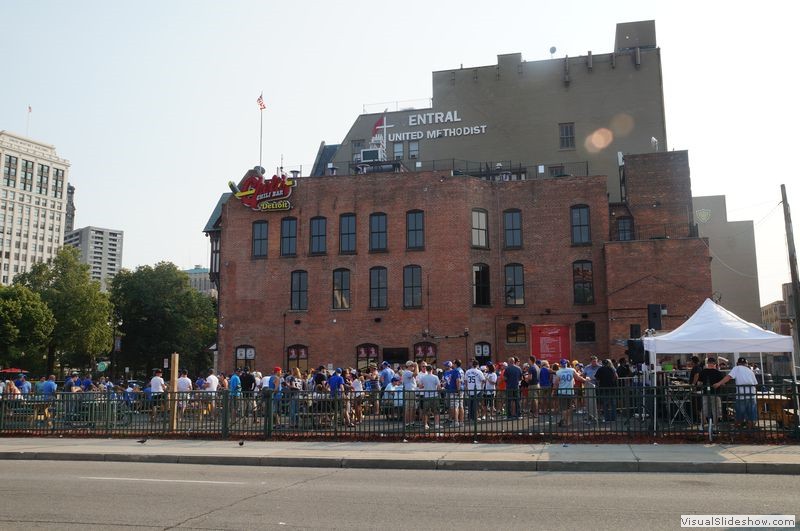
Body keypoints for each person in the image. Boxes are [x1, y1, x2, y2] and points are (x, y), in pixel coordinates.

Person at [713, 357, 759, 429]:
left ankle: (737, 431)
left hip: (742, 396)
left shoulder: (736, 368)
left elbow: (728, 377)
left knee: (739, 416)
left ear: (738, 363)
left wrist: (718, 383)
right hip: (751, 395)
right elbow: (755, 384)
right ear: (746, 364)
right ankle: (750, 432)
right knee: (751, 417)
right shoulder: (750, 371)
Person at [554, 358, 590, 427]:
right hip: (570, 391)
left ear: (561, 364)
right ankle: (568, 422)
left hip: (562, 391)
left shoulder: (559, 372)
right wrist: (585, 380)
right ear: (566, 364)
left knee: (564, 408)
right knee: (569, 407)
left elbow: (556, 383)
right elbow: (578, 378)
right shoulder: (572, 370)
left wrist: (554, 391)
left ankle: (564, 420)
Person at [697, 357, 724, 431]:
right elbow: (722, 383)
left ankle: (701, 426)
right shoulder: (718, 373)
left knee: (704, 410)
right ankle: (715, 426)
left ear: (707, 364)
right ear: (715, 364)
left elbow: (699, 383)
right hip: (715, 393)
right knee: (715, 411)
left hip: (705, 393)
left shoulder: (703, 372)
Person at [417, 363, 441, 429]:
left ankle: (425, 425)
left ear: (426, 370)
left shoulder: (423, 377)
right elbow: (439, 387)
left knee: (425, 412)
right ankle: (437, 425)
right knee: (436, 411)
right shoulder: (435, 377)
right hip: (434, 395)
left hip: (426, 396)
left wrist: (425, 385)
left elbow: (420, 386)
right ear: (432, 369)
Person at [443, 361, 463, 427]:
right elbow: (447, 382)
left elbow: (458, 381)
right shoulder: (446, 373)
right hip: (451, 390)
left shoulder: (455, 371)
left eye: (445, 365)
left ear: (448, 366)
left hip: (455, 390)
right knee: (458, 406)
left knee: (455, 407)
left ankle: (457, 422)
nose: (444, 366)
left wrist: (458, 390)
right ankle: (459, 422)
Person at [401, 361, 419, 427]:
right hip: (409, 391)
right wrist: (417, 365)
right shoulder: (407, 372)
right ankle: (408, 423)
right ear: (409, 366)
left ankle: (411, 422)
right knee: (410, 408)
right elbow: (416, 373)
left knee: (413, 407)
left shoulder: (408, 372)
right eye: (412, 366)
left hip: (411, 391)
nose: (413, 367)